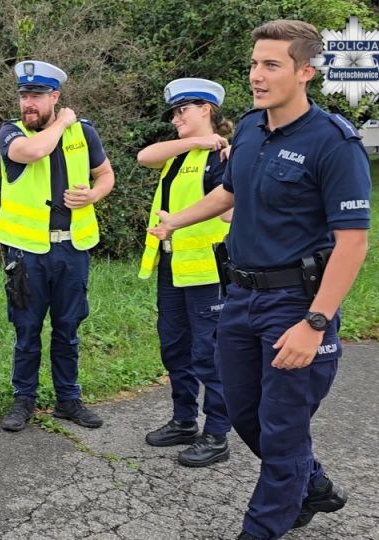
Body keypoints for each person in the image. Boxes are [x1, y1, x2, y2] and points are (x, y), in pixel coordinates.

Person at [149, 20, 371, 540]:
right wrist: (177, 220)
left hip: (297, 303)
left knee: (283, 428)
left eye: (271, 65)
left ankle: (262, 527)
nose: (257, 75)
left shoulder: (333, 143)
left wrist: (316, 322)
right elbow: (229, 193)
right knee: (246, 416)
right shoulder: (248, 130)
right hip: (240, 298)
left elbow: (353, 243)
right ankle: (311, 485)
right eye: (254, 63)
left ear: (305, 71)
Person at [0, 60, 115, 432]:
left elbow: (106, 174)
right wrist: (61, 122)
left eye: (36, 96)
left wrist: (93, 194)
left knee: (68, 328)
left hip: (73, 250)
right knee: (27, 330)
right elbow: (33, 153)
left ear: (55, 96)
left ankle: (68, 400)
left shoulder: (85, 133)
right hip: (27, 252)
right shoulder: (11, 133)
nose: (27, 103)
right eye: (23, 96)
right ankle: (23, 400)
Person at [136, 78, 234, 467]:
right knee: (174, 348)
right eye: (175, 111)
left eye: (184, 110)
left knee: (208, 355)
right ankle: (183, 421)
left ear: (206, 110)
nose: (176, 118)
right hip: (173, 269)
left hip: (209, 272)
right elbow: (146, 155)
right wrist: (194, 141)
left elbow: (228, 210)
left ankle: (217, 434)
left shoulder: (222, 158)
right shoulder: (180, 154)